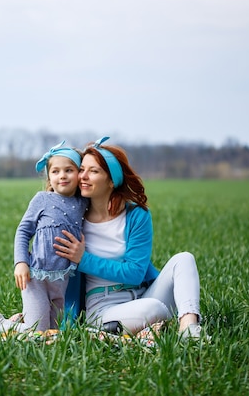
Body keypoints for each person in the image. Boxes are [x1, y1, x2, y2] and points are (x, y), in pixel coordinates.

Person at [54, 136, 206, 339]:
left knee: (184, 258)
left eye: (94, 171)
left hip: (144, 293)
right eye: (82, 169)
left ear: (111, 181)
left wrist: (84, 260)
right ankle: (117, 327)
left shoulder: (136, 215)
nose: (83, 176)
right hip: (102, 307)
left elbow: (135, 273)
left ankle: (189, 329)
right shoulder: (74, 216)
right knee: (154, 308)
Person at [0, 141, 89, 332]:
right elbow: (23, 231)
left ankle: (14, 324)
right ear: (49, 176)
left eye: (69, 170)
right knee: (38, 331)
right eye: (55, 171)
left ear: (79, 173)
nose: (62, 175)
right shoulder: (42, 199)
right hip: (35, 277)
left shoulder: (83, 203)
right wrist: (21, 262)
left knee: (54, 331)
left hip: (62, 280)